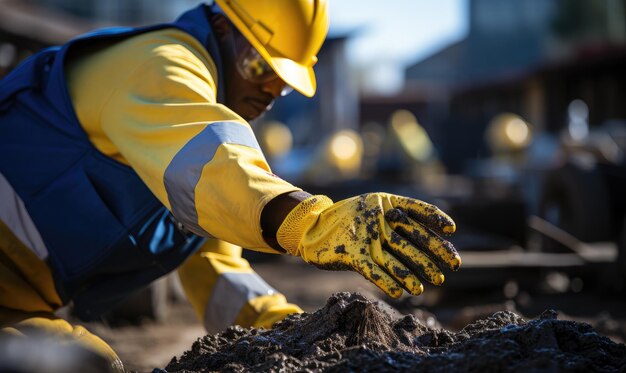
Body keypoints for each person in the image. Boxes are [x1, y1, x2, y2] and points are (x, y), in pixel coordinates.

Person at [0, 0, 461, 370]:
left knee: (90, 364)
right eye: (260, 66)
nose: (268, 91)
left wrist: (295, 331)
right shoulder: (160, 67)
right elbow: (216, 170)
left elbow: (215, 264)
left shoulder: (190, 123)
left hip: (15, 303)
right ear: (221, 27)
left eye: (281, 83)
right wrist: (312, 221)